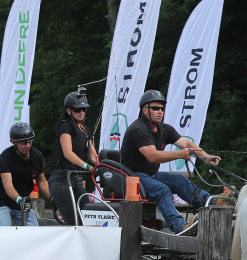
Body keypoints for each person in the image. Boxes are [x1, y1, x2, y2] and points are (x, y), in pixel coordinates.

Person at [119, 90, 233, 233]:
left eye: (162, 108)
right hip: (132, 177)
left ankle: (213, 202)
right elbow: (152, 156)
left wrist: (206, 157)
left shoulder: (164, 129)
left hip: (149, 176)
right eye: (155, 108)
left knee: (179, 180)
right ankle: (180, 227)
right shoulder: (138, 129)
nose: (160, 111)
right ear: (144, 110)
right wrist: (179, 155)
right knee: (162, 190)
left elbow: (186, 143)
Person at [49, 90, 98, 225]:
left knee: (85, 219)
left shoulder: (85, 129)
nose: (81, 112)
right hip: (61, 179)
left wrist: (105, 167)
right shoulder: (65, 126)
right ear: (69, 110)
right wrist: (87, 166)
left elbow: (93, 156)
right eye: (78, 109)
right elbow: (68, 153)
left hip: (76, 179)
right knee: (73, 223)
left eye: (84, 109)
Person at [0, 122, 50, 226]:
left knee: (34, 234)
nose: (27, 146)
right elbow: (8, 185)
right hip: (3, 202)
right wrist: (19, 199)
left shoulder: (37, 156)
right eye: (23, 143)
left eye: (30, 141)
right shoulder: (5, 157)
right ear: (13, 142)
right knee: (4, 233)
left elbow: (42, 182)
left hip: (23, 203)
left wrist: (53, 198)